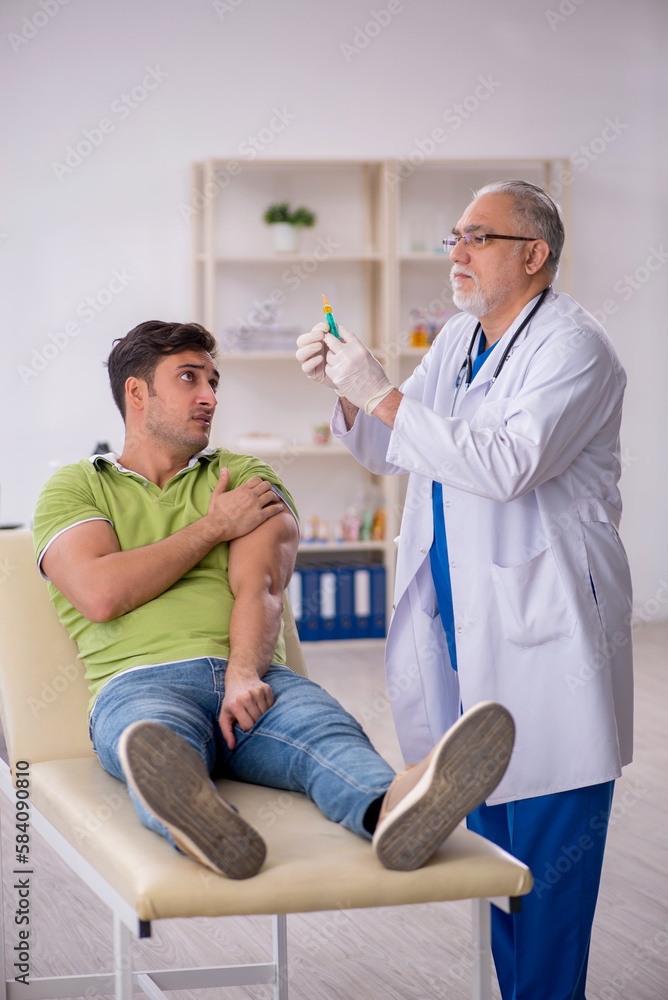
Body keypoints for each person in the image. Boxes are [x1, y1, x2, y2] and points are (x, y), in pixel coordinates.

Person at [296, 180, 633, 999]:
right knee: (493, 861)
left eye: (475, 238)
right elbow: (398, 447)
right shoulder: (459, 338)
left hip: (550, 632)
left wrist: (380, 389)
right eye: (453, 237)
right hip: (464, 624)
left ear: (533, 253)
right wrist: (350, 388)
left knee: (549, 870)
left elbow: (506, 464)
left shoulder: (573, 347)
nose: (456, 253)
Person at [32, 319, 515, 882]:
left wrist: (243, 674)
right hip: (140, 681)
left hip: (258, 677)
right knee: (155, 743)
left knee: (326, 734)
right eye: (189, 379)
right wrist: (214, 527)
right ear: (136, 393)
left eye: (213, 381)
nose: (209, 396)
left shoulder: (246, 475)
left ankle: (396, 808)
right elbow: (101, 592)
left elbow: (260, 587)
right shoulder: (76, 485)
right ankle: (201, 820)